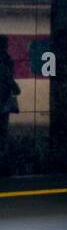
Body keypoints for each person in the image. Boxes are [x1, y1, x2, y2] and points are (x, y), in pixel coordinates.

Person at [0, 36, 20, 176]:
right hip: (3, 101)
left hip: (3, 100)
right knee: (2, 131)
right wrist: (15, 87)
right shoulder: (5, 59)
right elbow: (8, 78)